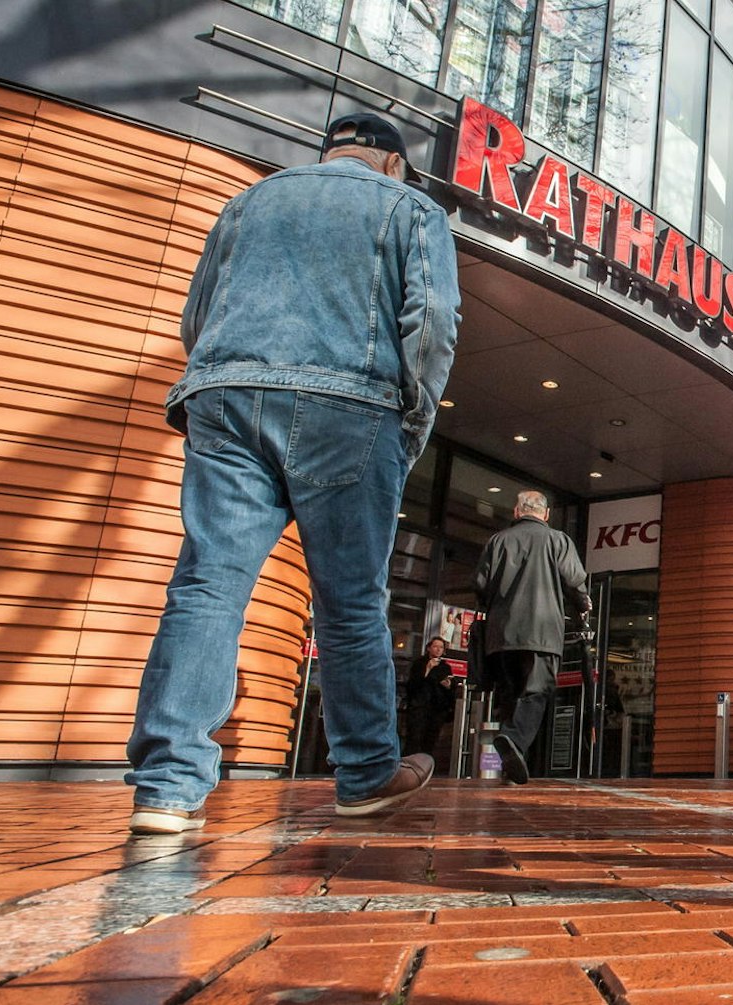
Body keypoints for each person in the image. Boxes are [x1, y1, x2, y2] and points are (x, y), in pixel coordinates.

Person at [125, 112, 459, 834]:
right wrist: (411, 426)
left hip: (225, 396)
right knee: (348, 598)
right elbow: (430, 323)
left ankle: (167, 786)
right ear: (393, 165)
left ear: (331, 153)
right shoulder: (411, 208)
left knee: (208, 583)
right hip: (350, 406)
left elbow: (197, 316)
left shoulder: (250, 201)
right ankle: (367, 772)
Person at [475, 491, 590, 784]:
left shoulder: (497, 541)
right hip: (541, 632)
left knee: (510, 695)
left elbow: (481, 586)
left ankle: (509, 767)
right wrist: (583, 605)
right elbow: (574, 581)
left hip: (501, 635)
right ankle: (512, 740)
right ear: (546, 514)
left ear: (516, 511)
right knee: (536, 692)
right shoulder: (558, 540)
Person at [402, 638, 458, 758]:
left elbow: (452, 685)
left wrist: (448, 685)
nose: (438, 650)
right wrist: (427, 669)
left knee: (431, 740)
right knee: (414, 738)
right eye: (435, 646)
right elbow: (413, 684)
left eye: (441, 647)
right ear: (429, 648)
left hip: (437, 708)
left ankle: (426, 765)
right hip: (420, 707)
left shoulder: (445, 667)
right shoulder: (419, 663)